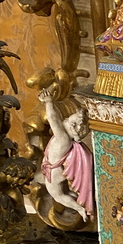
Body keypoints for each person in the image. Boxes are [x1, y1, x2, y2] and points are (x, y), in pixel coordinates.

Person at [39, 89, 94, 222]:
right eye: (69, 118)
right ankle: (78, 202)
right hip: (54, 168)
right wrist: (50, 102)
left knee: (58, 195)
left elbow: (53, 120)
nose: (66, 119)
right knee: (65, 193)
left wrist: (48, 103)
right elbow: (58, 118)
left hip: (54, 171)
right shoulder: (65, 134)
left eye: (69, 121)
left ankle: (80, 209)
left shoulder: (63, 139)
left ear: (72, 128)